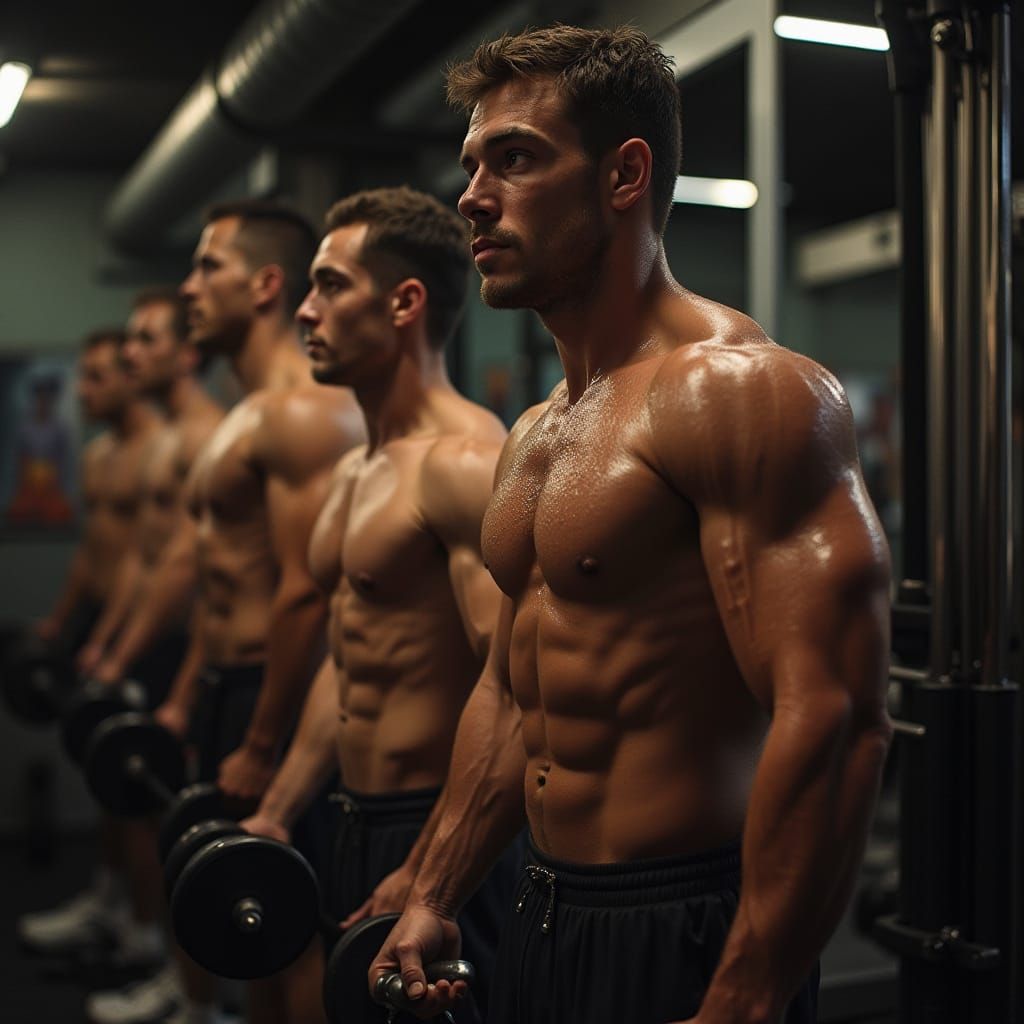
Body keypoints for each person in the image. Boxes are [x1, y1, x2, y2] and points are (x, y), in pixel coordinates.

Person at [370, 25, 893, 1024]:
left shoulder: (742, 393)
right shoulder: (536, 432)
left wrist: (747, 991)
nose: (473, 197)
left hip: (689, 927)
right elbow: (512, 685)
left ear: (624, 175)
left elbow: (831, 716)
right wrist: (434, 885)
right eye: (472, 164)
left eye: (515, 159)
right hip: (544, 903)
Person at [239, 186, 518, 1022]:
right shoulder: (356, 473)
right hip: (352, 817)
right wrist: (279, 809)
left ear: (404, 303)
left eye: (329, 285)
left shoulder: (466, 463)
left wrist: (435, 867)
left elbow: (512, 690)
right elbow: (347, 659)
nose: (303, 310)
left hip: (445, 826)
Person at [89, 201, 365, 1024]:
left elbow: (305, 590)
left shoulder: (302, 413)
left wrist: (265, 735)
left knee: (293, 927)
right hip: (224, 684)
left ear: (264, 286)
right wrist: (184, 695)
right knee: (242, 913)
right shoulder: (242, 417)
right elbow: (211, 574)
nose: (189, 286)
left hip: (269, 694)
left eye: (209, 267)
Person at [66, 288, 226, 982]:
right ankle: (146, 942)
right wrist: (107, 641)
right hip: (155, 644)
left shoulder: (206, 437)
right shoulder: (165, 443)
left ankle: (186, 987)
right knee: (132, 801)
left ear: (188, 354)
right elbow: (145, 559)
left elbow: (190, 567)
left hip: (192, 653)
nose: (131, 353)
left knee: (176, 824)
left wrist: (155, 667)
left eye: (146, 340)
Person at [18, 328, 162, 960]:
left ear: (133, 378)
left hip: (140, 631)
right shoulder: (99, 454)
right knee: (104, 775)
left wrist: (113, 644)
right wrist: (62, 622)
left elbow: (147, 562)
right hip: (99, 621)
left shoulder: (157, 451)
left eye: (99, 375)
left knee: (136, 789)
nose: (84, 389)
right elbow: (93, 552)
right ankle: (110, 898)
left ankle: (146, 929)